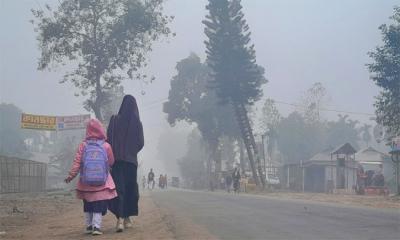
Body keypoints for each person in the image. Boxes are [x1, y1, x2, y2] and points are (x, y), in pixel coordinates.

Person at [65, 119, 117, 236]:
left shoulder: (83, 145)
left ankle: (88, 226)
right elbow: (112, 162)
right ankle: (96, 227)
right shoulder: (106, 145)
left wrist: (71, 175)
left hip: (86, 182)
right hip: (101, 182)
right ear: (101, 130)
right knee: (98, 205)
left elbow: (77, 162)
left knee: (88, 204)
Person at [107, 95, 144, 232]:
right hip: (131, 162)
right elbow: (141, 143)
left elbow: (108, 139)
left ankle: (121, 219)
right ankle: (126, 218)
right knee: (130, 189)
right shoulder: (137, 123)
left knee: (118, 189)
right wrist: (131, 152)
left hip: (117, 162)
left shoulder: (114, 120)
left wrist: (114, 155)